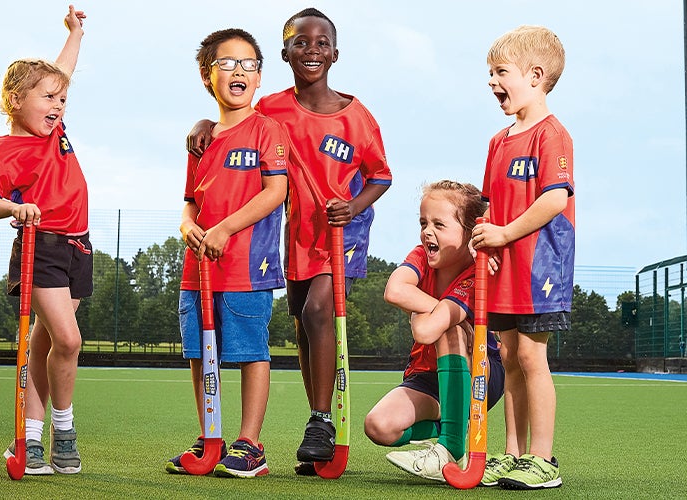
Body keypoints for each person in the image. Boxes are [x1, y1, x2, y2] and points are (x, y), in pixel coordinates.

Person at [187, 8, 392, 474]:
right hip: (297, 229)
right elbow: (233, 121)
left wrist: (355, 207)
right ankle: (316, 418)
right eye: (301, 42)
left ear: (335, 53)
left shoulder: (357, 116)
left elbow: (381, 176)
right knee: (301, 319)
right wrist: (203, 122)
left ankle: (321, 422)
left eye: (322, 43)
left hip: (344, 228)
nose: (312, 50)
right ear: (285, 53)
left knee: (320, 310)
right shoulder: (272, 108)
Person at [165, 28, 289, 479]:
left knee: (250, 351)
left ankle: (250, 444)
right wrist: (187, 225)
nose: (239, 71)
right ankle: (210, 436)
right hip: (196, 270)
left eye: (249, 64)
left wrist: (224, 229)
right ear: (206, 76)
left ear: (259, 78)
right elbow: (190, 200)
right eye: (227, 63)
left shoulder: (268, 129)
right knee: (201, 354)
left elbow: (276, 190)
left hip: (246, 268)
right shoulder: (201, 140)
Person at [0, 5, 88, 475]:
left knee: (45, 347)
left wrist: (76, 32)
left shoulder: (54, 128)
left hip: (79, 247)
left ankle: (32, 440)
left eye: (62, 100)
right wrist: (15, 208)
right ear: (16, 100)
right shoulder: (0, 151)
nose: (58, 107)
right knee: (69, 339)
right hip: (40, 248)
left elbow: (63, 72)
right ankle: (65, 427)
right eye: (48, 99)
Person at [471, 25, 574, 490]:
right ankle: (512, 454)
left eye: (500, 72)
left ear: (535, 75)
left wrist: (506, 234)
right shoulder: (498, 140)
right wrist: (485, 242)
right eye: (490, 73)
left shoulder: (552, 135)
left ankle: (543, 458)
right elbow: (490, 204)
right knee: (508, 356)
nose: (492, 82)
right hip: (505, 269)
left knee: (532, 357)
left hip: (542, 268)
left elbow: (554, 200)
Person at [364, 180, 504, 482]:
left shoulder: (475, 273)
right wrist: (431, 308)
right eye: (424, 222)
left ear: (468, 233)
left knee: (448, 330)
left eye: (439, 224)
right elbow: (393, 289)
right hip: (426, 376)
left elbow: (427, 330)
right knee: (378, 426)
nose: (427, 231)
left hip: (478, 376)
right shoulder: (421, 256)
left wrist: (418, 308)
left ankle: (451, 447)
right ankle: (454, 425)